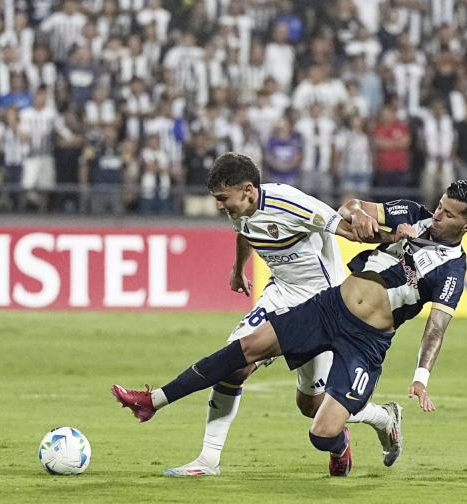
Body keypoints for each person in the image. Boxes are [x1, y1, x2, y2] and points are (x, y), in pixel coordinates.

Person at [113, 179, 467, 476]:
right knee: (243, 352)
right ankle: (154, 400)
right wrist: (361, 215)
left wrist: (421, 378)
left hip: (366, 342)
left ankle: (383, 419)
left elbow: (436, 327)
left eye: (448, 214)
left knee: (320, 431)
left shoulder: (451, 270)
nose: (437, 215)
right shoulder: (411, 213)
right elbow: (349, 208)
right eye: (439, 206)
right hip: (329, 307)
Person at [162, 152, 402, 477]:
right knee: (234, 365)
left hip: (321, 308)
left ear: (248, 189)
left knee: (313, 407)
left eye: (223, 199)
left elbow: (348, 230)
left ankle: (383, 418)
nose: (220, 206)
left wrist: (394, 239)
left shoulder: (290, 203)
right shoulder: (239, 206)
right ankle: (208, 459)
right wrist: (237, 270)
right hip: (281, 295)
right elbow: (245, 231)